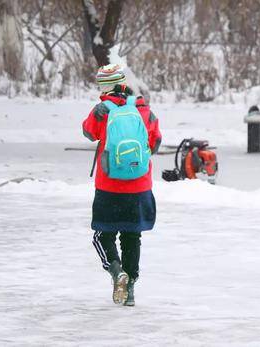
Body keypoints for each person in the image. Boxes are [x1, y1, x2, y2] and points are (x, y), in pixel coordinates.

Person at [82, 64, 162, 306]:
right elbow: (156, 142)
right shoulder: (144, 110)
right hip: (139, 188)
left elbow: (88, 132)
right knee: (132, 235)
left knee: (102, 234)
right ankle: (130, 292)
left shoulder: (101, 111)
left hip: (109, 187)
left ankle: (117, 273)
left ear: (104, 87)